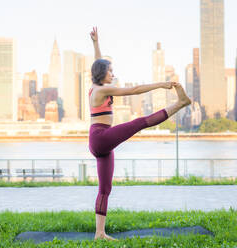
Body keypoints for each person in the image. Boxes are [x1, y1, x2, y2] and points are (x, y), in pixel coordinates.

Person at [89, 27, 191, 241]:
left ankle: (100, 233)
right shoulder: (101, 90)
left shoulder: (96, 86)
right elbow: (133, 91)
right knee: (139, 123)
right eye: (110, 71)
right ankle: (180, 103)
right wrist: (161, 84)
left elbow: (98, 62)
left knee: (105, 188)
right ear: (102, 74)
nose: (113, 74)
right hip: (101, 138)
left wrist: (96, 43)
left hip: (102, 141)